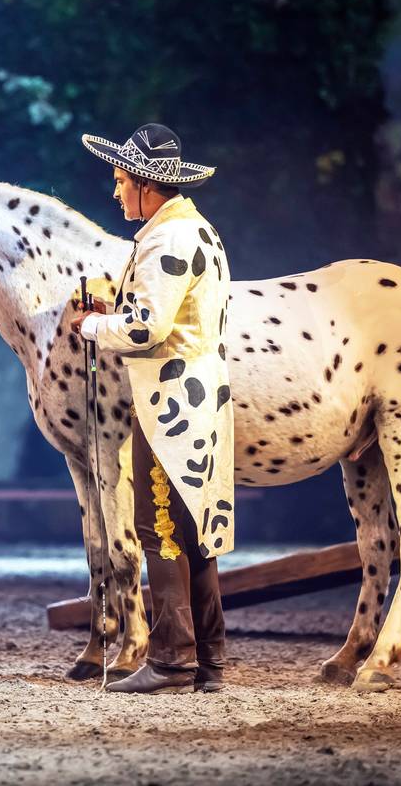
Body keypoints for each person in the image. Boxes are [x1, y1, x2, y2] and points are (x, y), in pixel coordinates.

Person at [71, 123, 235, 695]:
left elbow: (147, 327)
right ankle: (208, 661)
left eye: (121, 182)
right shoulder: (198, 231)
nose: (116, 193)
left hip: (171, 407)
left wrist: (93, 325)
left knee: (158, 528)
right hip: (202, 396)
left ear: (146, 184)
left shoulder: (168, 241)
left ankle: (171, 661)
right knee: (195, 535)